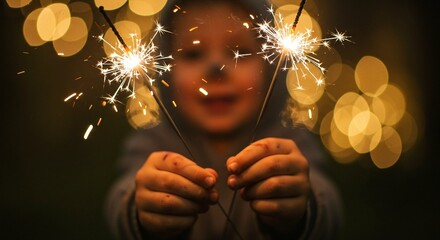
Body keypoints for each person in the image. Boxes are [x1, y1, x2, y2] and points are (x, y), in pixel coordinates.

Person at [105, 0, 344, 239]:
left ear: (271, 66)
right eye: (193, 53)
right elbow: (121, 196)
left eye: (240, 52)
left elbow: (327, 202)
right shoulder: (152, 146)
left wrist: (300, 210)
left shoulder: (289, 145)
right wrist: (141, 211)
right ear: (165, 68)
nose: (216, 68)